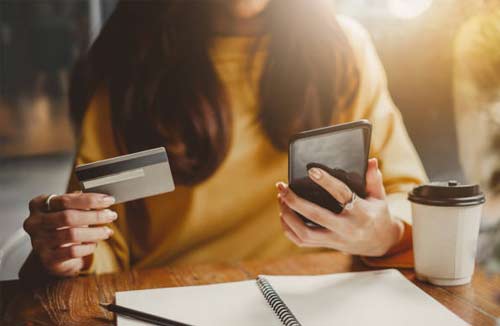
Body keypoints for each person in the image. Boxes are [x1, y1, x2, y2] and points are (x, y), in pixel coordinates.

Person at [21, 0, 427, 279]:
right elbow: (105, 240)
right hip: (167, 301)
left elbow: (407, 195)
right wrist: (75, 249)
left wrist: (385, 232)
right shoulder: (129, 69)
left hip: (328, 298)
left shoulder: (344, 51)